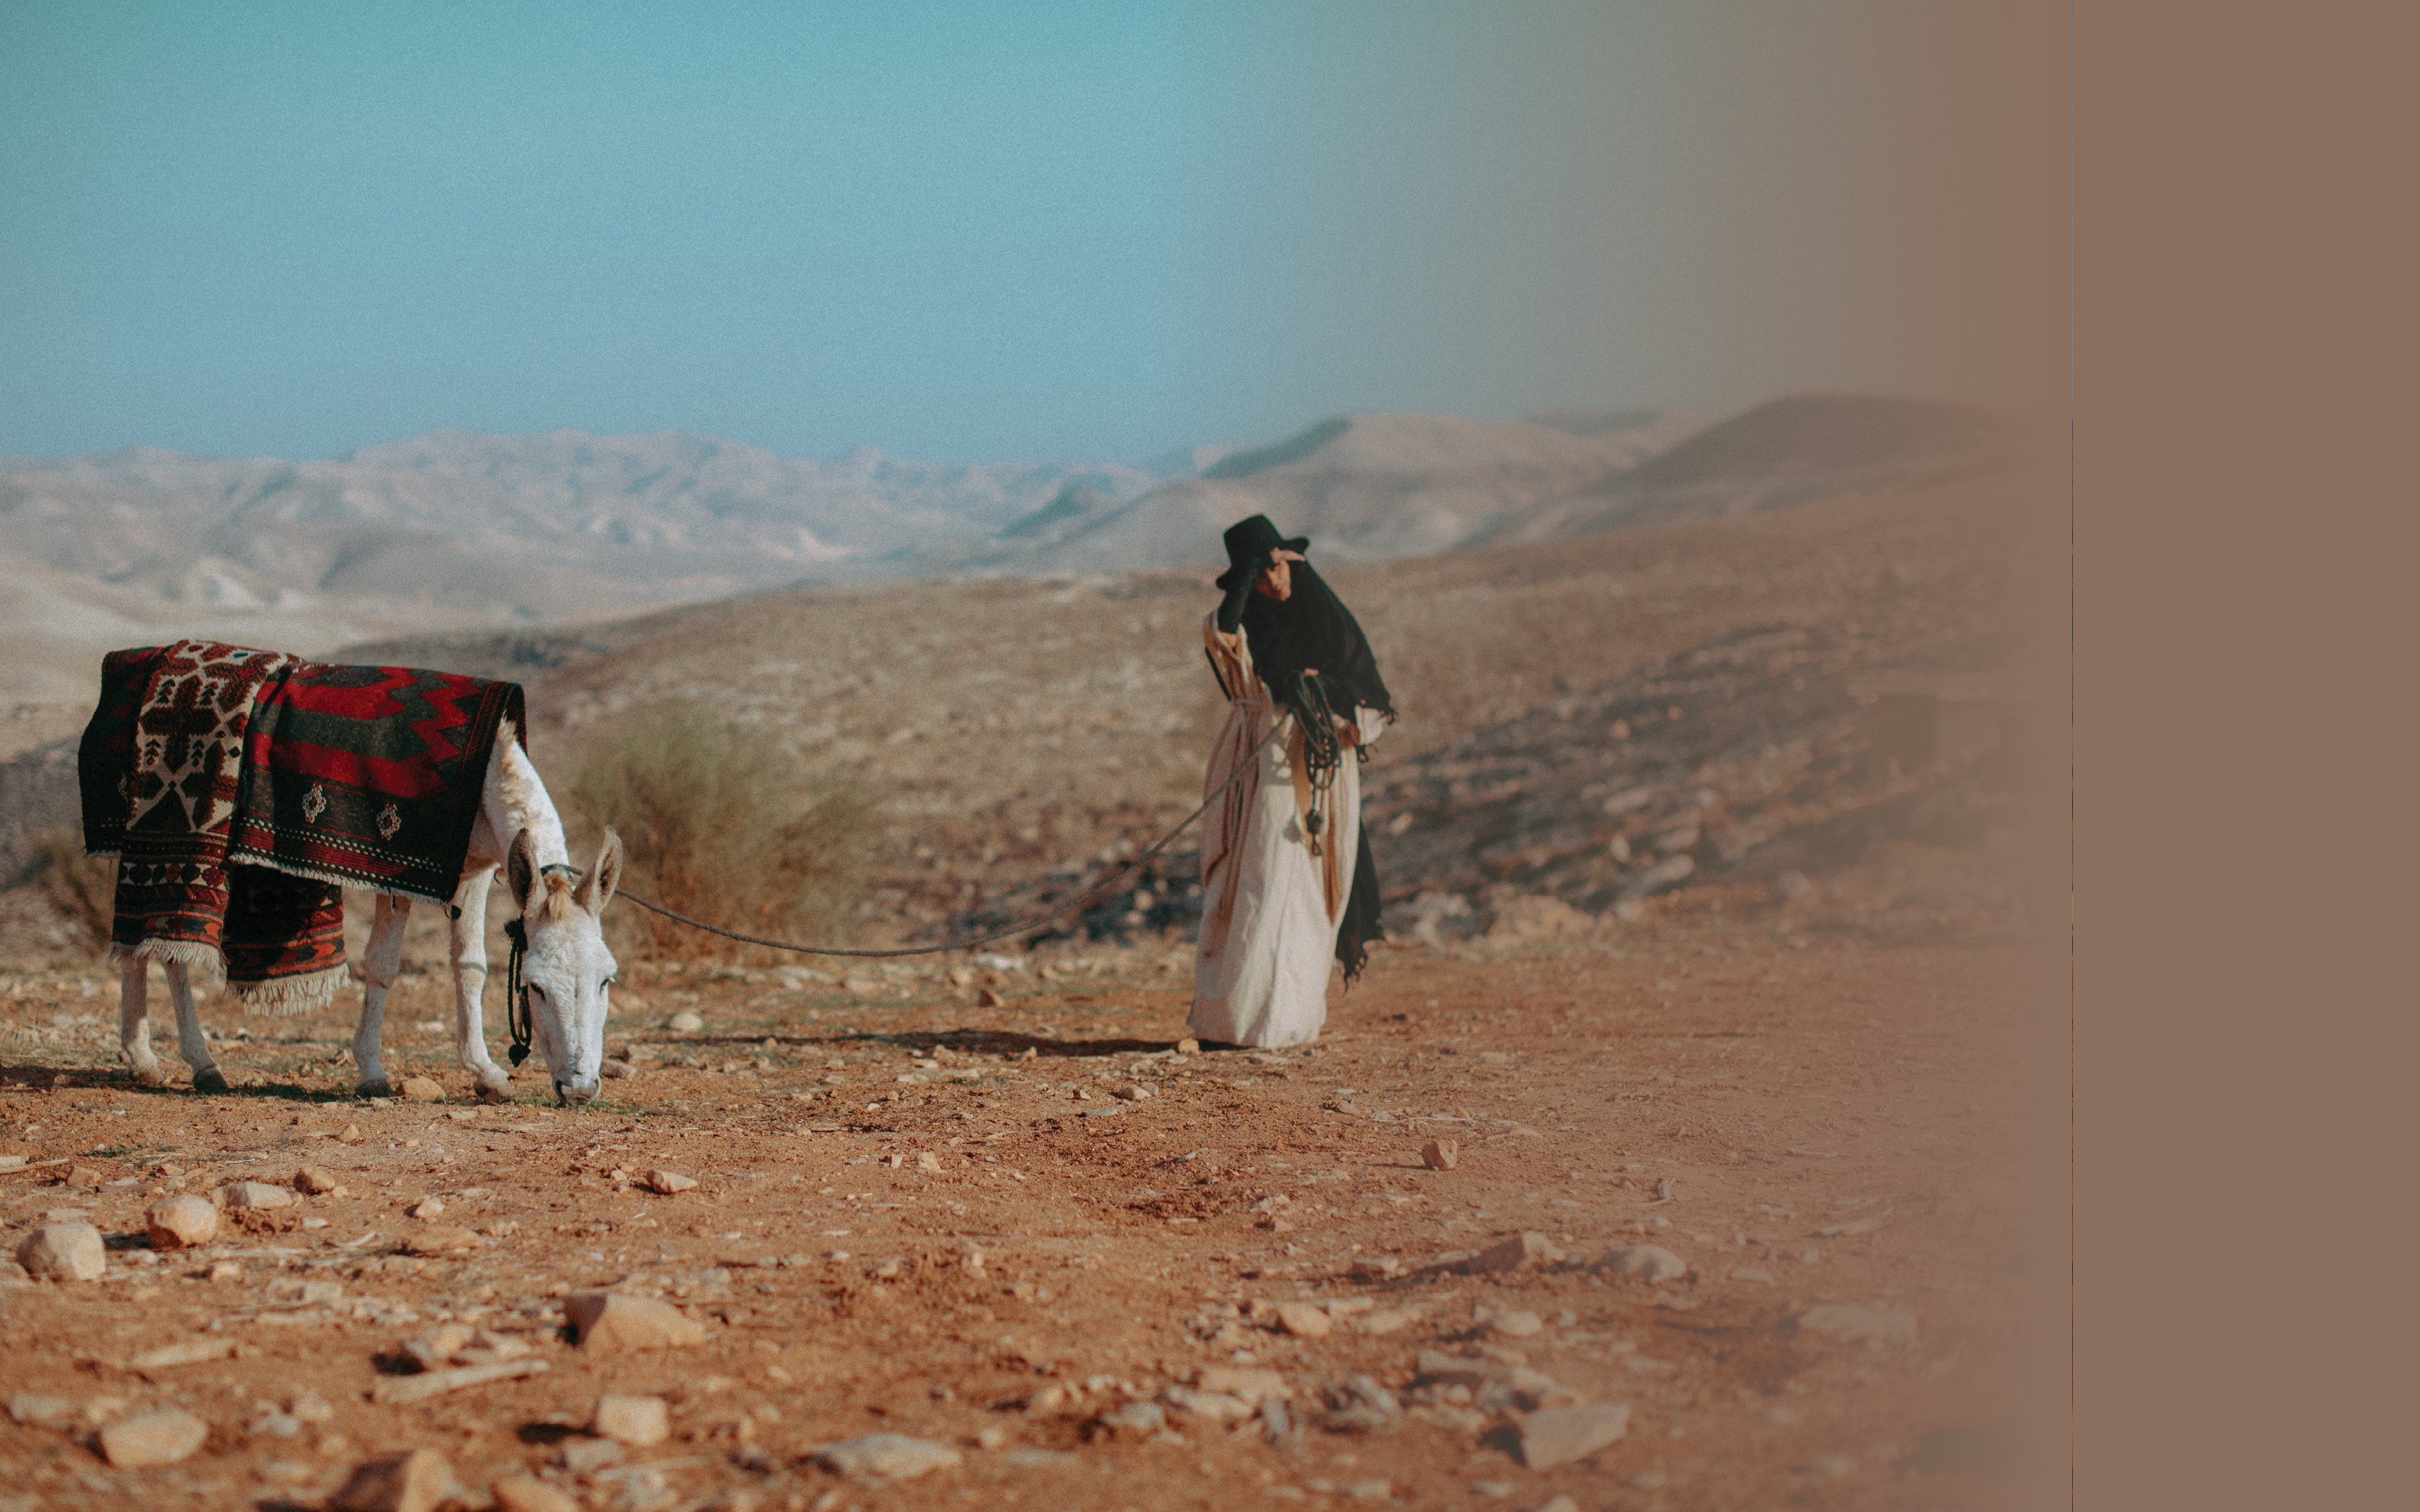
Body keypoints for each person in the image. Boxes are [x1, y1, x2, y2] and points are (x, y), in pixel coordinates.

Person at [1191, 514, 1394, 1049]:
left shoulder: (1329, 622)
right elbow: (1222, 636)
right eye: (1261, 576)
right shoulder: (1244, 626)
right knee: (1255, 881)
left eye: (1278, 568)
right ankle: (1233, 1020)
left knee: (1304, 887)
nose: (1275, 583)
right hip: (1259, 770)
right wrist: (1244, 578)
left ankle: (1286, 1019)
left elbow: (1370, 701)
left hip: (1319, 773)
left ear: (1294, 563)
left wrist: (1321, 689)